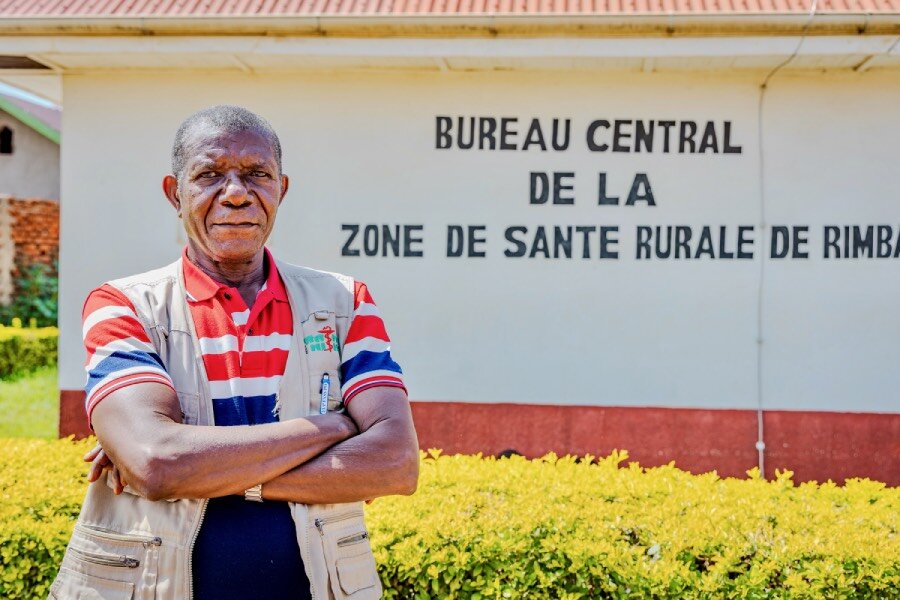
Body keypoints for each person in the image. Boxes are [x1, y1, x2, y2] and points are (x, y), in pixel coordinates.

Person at [50, 105, 419, 599]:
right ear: (173, 193)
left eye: (256, 174)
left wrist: (208, 465)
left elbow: (395, 463)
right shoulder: (124, 305)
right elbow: (157, 463)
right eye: (209, 175)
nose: (237, 193)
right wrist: (335, 427)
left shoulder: (344, 303)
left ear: (280, 190)